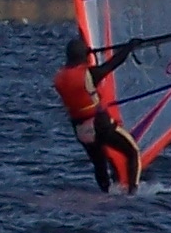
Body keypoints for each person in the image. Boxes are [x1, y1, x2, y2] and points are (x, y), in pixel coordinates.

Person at [54, 37, 142, 192]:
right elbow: (113, 63)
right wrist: (129, 47)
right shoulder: (89, 74)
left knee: (99, 164)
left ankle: (106, 192)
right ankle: (133, 192)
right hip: (100, 124)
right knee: (132, 151)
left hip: (80, 129)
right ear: (84, 56)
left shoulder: (59, 78)